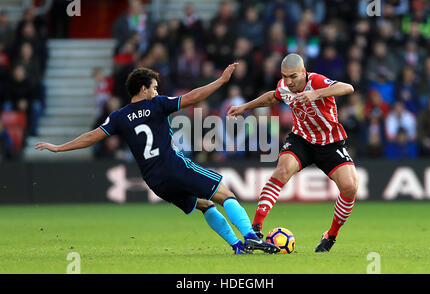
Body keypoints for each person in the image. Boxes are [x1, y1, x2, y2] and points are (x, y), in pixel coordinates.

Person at [35, 64, 279, 255]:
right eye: (154, 87)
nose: (156, 91)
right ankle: (250, 236)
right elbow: (193, 98)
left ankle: (237, 246)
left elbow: (91, 136)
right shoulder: (157, 105)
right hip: (173, 166)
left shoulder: (119, 117)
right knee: (225, 194)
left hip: (154, 181)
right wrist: (221, 81)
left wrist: (59, 148)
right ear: (143, 89)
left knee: (205, 205)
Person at [227, 53, 357, 252]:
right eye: (284, 76)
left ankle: (331, 235)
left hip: (330, 142)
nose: (288, 81)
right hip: (301, 139)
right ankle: (255, 229)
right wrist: (244, 107)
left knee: (349, 187)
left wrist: (317, 93)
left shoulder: (317, 81)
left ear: (304, 72)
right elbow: (272, 97)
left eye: (293, 76)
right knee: (281, 172)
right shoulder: (284, 87)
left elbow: (348, 87)